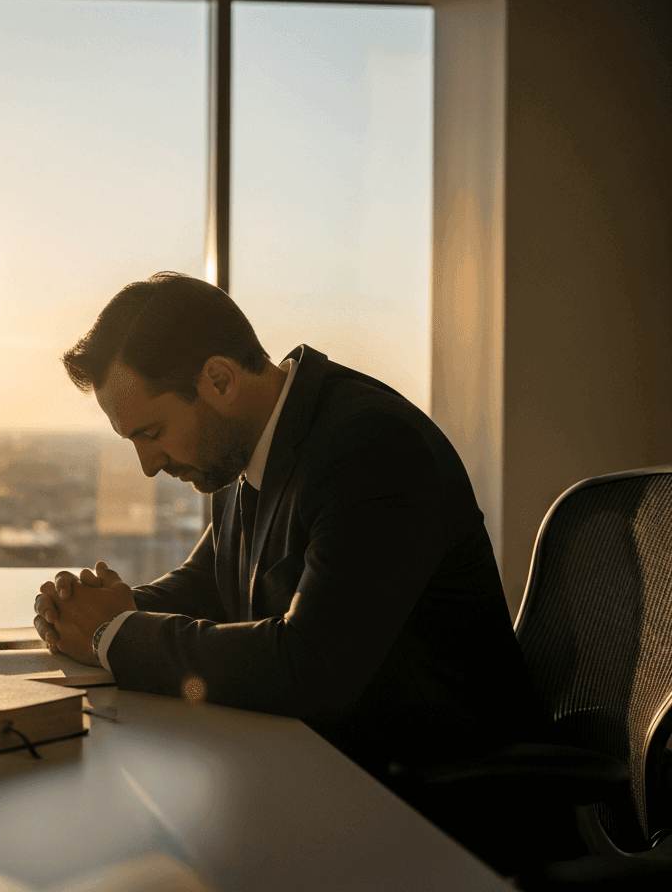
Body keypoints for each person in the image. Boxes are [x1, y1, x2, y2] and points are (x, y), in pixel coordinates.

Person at [32, 271, 544, 777]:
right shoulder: (247, 445)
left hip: (439, 799)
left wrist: (114, 634)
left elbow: (313, 666)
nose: (148, 464)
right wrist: (99, 612)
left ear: (219, 380)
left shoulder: (371, 448)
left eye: (153, 432)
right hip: (324, 767)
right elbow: (214, 579)